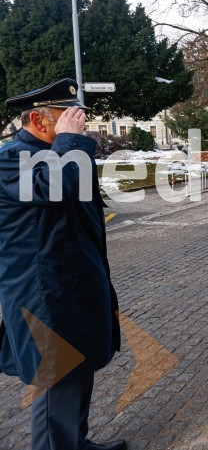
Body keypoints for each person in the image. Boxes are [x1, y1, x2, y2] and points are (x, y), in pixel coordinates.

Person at [0, 78, 124, 450]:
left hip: (73, 283)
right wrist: (70, 142)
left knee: (78, 368)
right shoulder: (10, 158)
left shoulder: (59, 153)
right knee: (57, 378)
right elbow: (51, 189)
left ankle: (76, 442)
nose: (78, 122)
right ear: (38, 120)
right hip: (42, 294)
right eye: (67, 116)